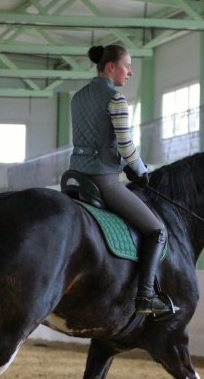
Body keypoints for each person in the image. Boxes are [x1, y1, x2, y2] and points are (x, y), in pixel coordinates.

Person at [68, 44, 175, 316]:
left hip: (75, 178)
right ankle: (146, 297)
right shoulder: (116, 100)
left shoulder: (77, 98)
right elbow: (126, 146)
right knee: (156, 230)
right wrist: (141, 170)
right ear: (111, 66)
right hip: (104, 182)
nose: (130, 72)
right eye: (127, 66)